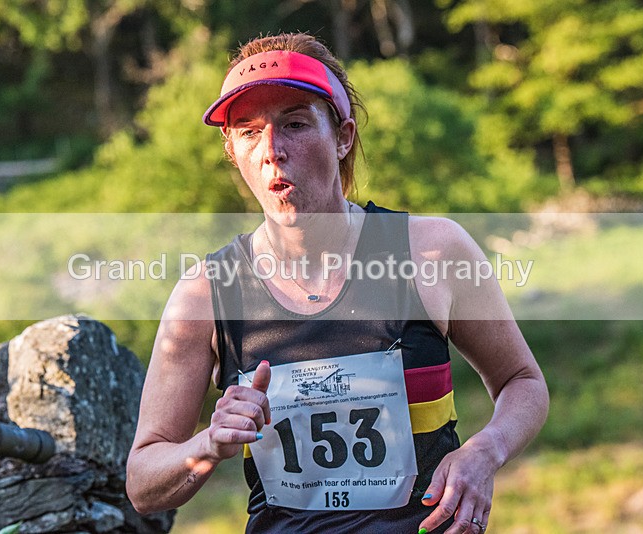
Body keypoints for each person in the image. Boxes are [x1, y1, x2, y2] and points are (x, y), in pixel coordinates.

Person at [127, 33, 549, 534]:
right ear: (231, 150)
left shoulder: (431, 251)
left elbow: (523, 382)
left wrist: (486, 450)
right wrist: (208, 443)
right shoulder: (206, 293)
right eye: (247, 132)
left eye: (295, 124)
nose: (272, 151)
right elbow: (142, 484)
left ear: (343, 135)